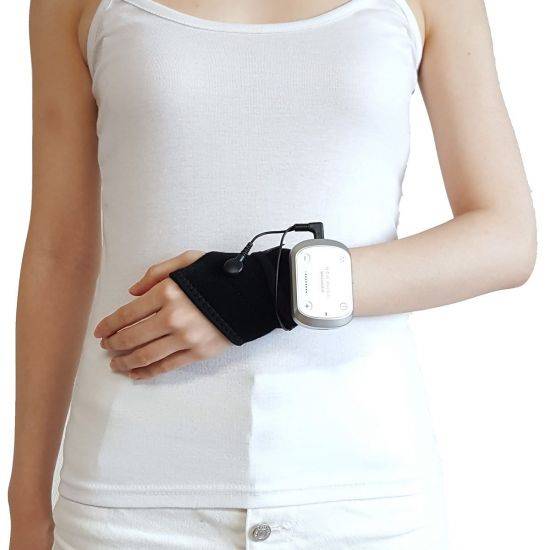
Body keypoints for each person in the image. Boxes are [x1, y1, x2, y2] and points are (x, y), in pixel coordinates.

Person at [9, 0, 536, 548]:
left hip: (363, 498)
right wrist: (26, 506)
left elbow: (506, 237)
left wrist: (272, 288)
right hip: (127, 499)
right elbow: (59, 254)